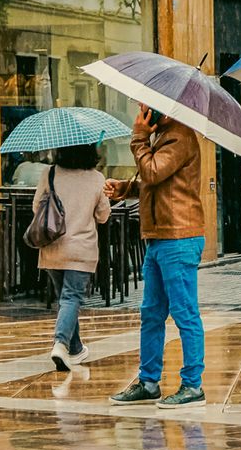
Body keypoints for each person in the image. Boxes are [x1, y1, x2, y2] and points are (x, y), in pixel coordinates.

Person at [104, 104, 207, 409]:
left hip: (179, 236)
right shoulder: (162, 137)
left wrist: (138, 138)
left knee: (185, 312)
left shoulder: (180, 136)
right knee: (151, 312)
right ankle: (149, 382)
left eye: (144, 108)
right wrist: (124, 188)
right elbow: (156, 182)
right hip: (159, 237)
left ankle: (193, 385)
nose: (140, 112)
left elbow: (153, 170)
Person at [36, 143, 112, 373]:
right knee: (71, 298)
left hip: (52, 248)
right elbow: (103, 215)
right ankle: (60, 343)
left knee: (66, 299)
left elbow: (36, 206)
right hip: (81, 250)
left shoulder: (49, 173)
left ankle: (76, 348)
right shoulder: (97, 178)